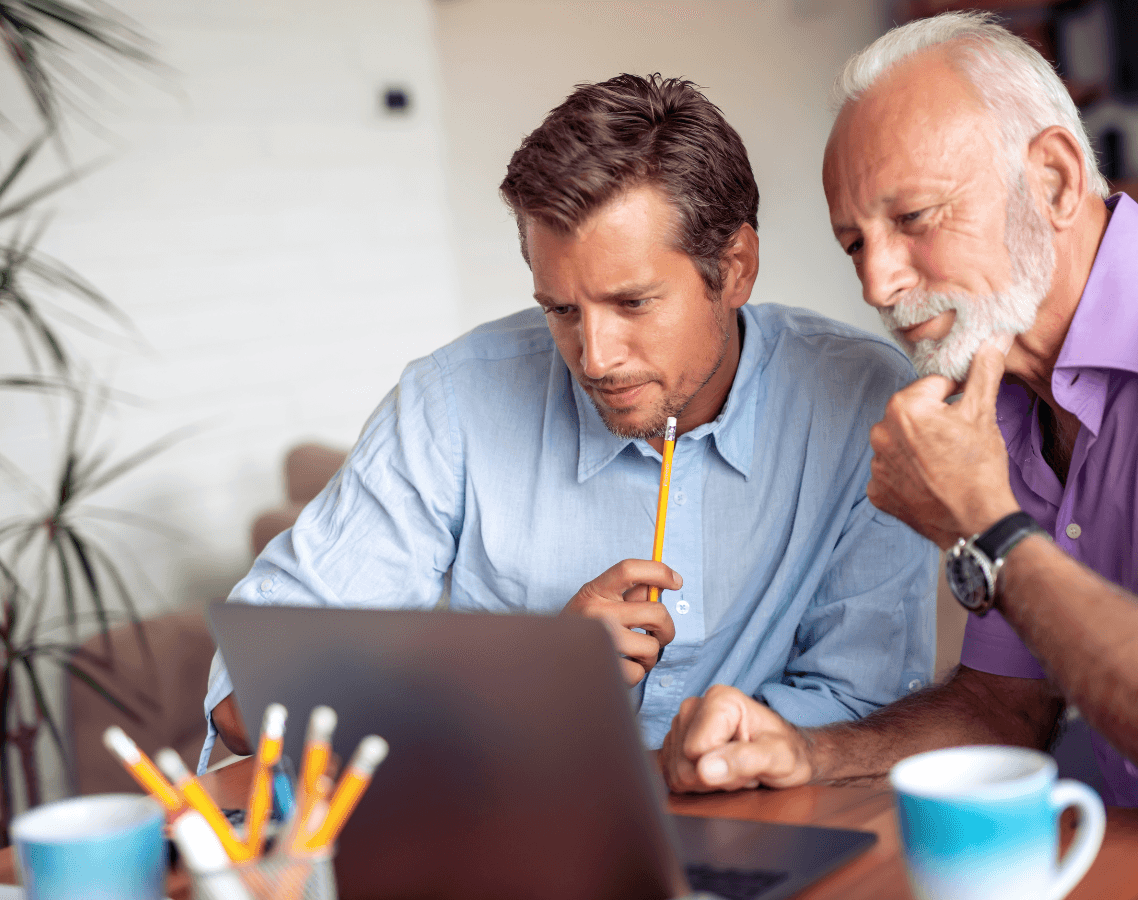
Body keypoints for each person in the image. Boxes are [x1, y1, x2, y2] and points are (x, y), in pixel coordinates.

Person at [660, 13, 1138, 843]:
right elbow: (1004, 708)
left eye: (914, 219)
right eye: (854, 243)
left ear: (1052, 180)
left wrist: (988, 526)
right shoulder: (1003, 403)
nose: (877, 282)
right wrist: (808, 752)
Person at [201, 74, 936, 770]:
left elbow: (862, 700)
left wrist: (726, 753)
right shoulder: (450, 403)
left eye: (633, 302)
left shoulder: (862, 400)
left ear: (735, 266)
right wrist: (527, 670)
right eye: (560, 309)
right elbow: (243, 704)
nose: (595, 357)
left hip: (767, 835)